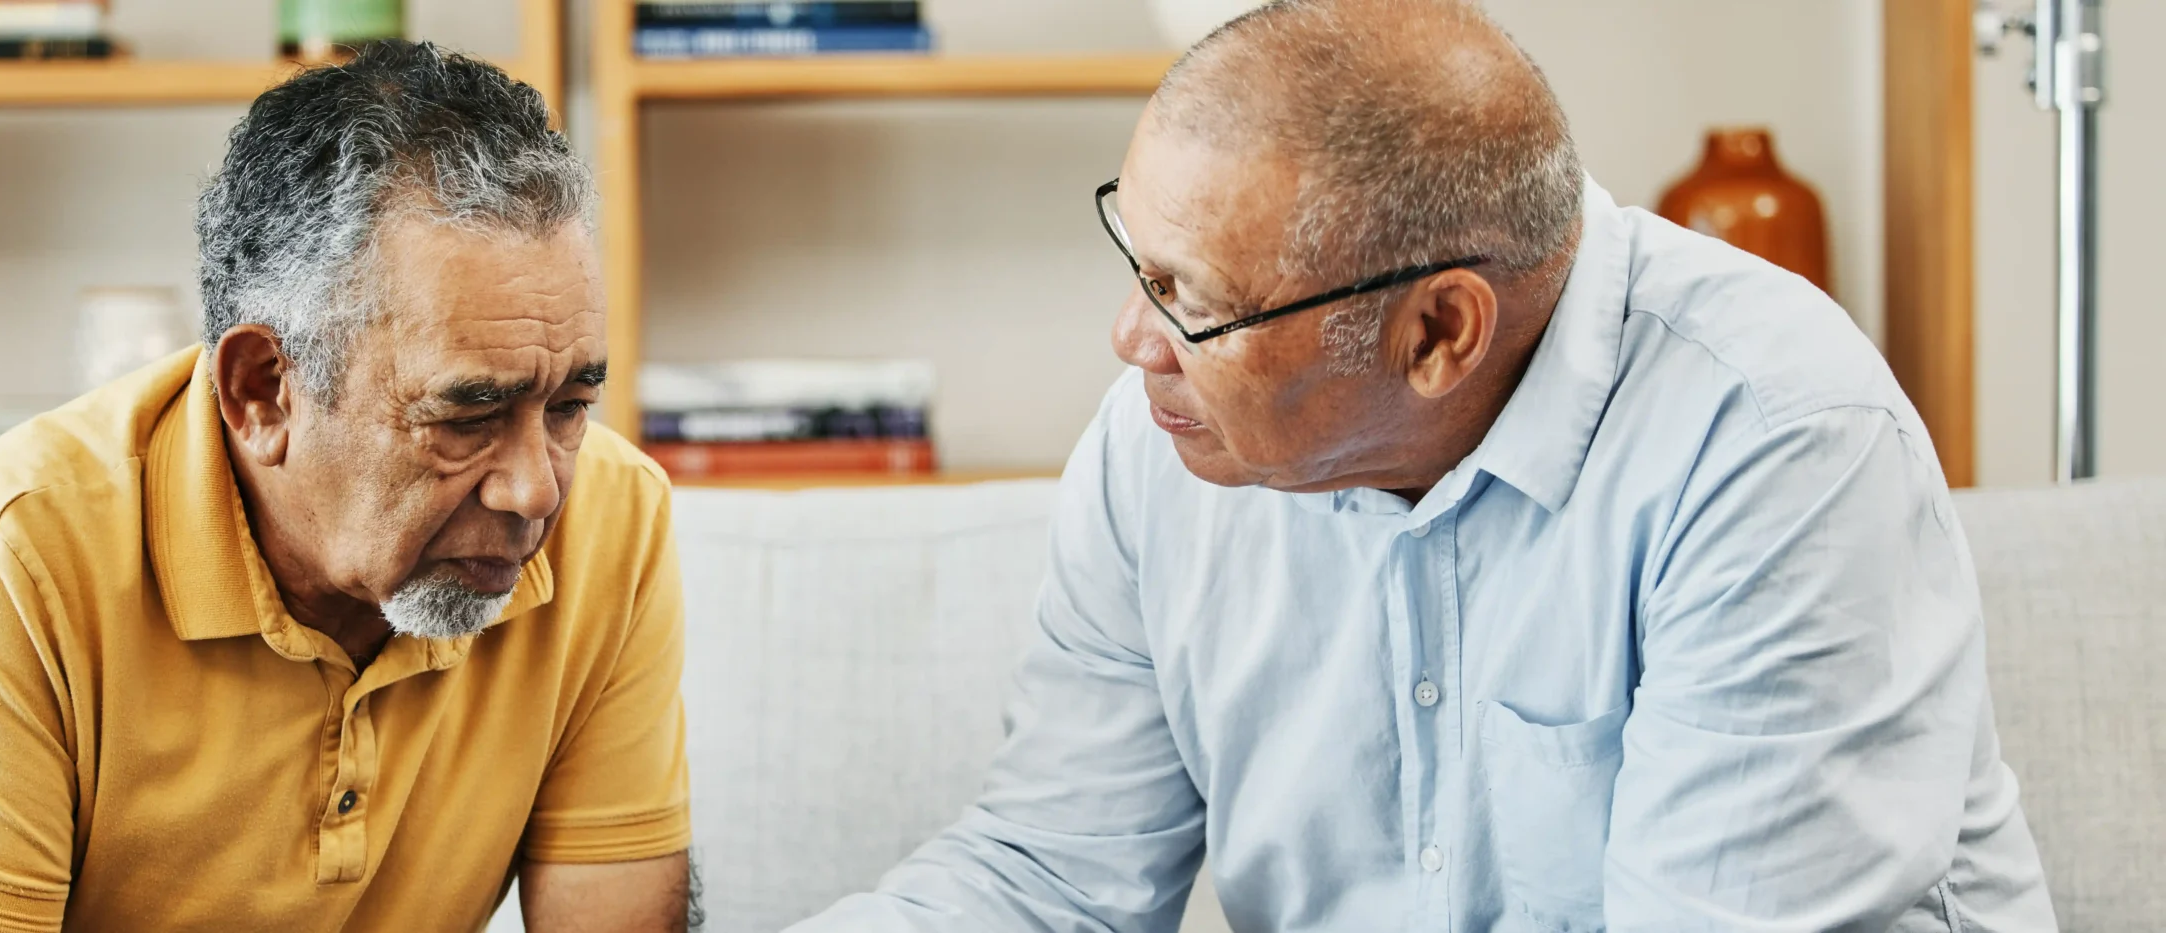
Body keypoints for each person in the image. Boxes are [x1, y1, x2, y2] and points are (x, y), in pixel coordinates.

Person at [791, 1, 2057, 930]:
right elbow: (1053, 873)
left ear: (1438, 332)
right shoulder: (1158, 452)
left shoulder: (1774, 443)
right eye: (1137, 259)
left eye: (1188, 299)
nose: (1131, 342)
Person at [0, 43, 694, 932]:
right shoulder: (8, 559)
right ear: (263, 390)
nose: (535, 490)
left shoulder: (612, 518)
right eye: (467, 418)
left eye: (571, 404)